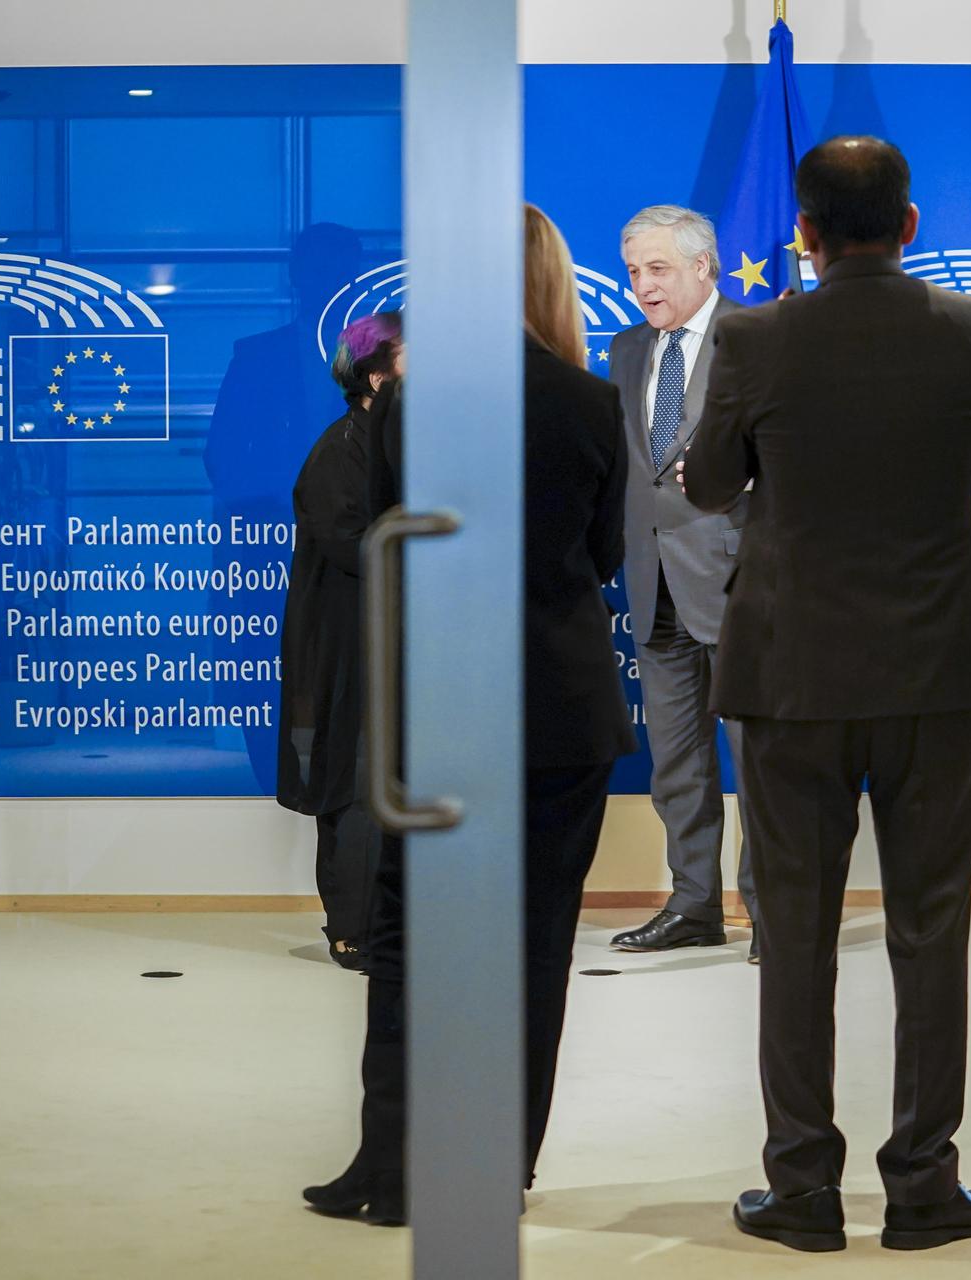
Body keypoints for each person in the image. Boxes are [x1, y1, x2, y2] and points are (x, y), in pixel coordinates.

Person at [680, 135, 971, 1254]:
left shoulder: (751, 332)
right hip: (936, 675)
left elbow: (712, 480)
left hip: (791, 677)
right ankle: (923, 1181)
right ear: (910, 225)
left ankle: (802, 1187)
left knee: (796, 932)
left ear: (806, 236)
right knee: (932, 933)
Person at [301, 204, 635, 1224]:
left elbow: (400, 542)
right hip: (558, 712)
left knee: (406, 937)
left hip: (442, 708)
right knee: (531, 948)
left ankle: (390, 1167)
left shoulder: (411, 401)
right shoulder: (589, 400)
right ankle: (494, 1169)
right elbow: (606, 555)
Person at [606, 205, 758, 960]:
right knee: (676, 764)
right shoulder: (627, 348)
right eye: (634, 270)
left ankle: (771, 913)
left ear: (705, 267)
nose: (642, 286)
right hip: (651, 582)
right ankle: (694, 904)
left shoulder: (757, 342)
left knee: (759, 763)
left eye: (658, 268)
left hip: (739, 584)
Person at [206, 223, 369, 794]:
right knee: (263, 664)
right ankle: (274, 782)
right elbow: (221, 456)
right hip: (269, 542)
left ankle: (350, 785)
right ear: (297, 277)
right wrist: (279, 503)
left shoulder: (392, 358)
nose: (326, 281)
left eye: (338, 269)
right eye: (316, 268)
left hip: (366, 552)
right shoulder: (257, 355)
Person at [276, 313, 403, 972]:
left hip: (394, 641)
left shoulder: (394, 440)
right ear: (376, 372)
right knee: (355, 786)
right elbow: (352, 545)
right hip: (351, 646)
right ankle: (351, 925)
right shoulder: (340, 449)